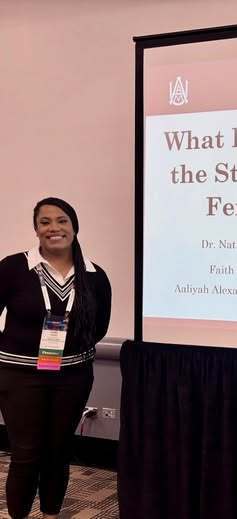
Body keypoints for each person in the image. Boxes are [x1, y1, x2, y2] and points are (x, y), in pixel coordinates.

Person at [0, 198, 111, 519]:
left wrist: (71, 355)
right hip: (20, 376)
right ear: (36, 229)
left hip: (73, 376)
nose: (54, 228)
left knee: (58, 453)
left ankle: (51, 515)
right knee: (26, 455)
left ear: (74, 227)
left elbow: (99, 326)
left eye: (61, 220)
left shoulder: (94, 275)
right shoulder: (13, 268)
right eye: (45, 222)